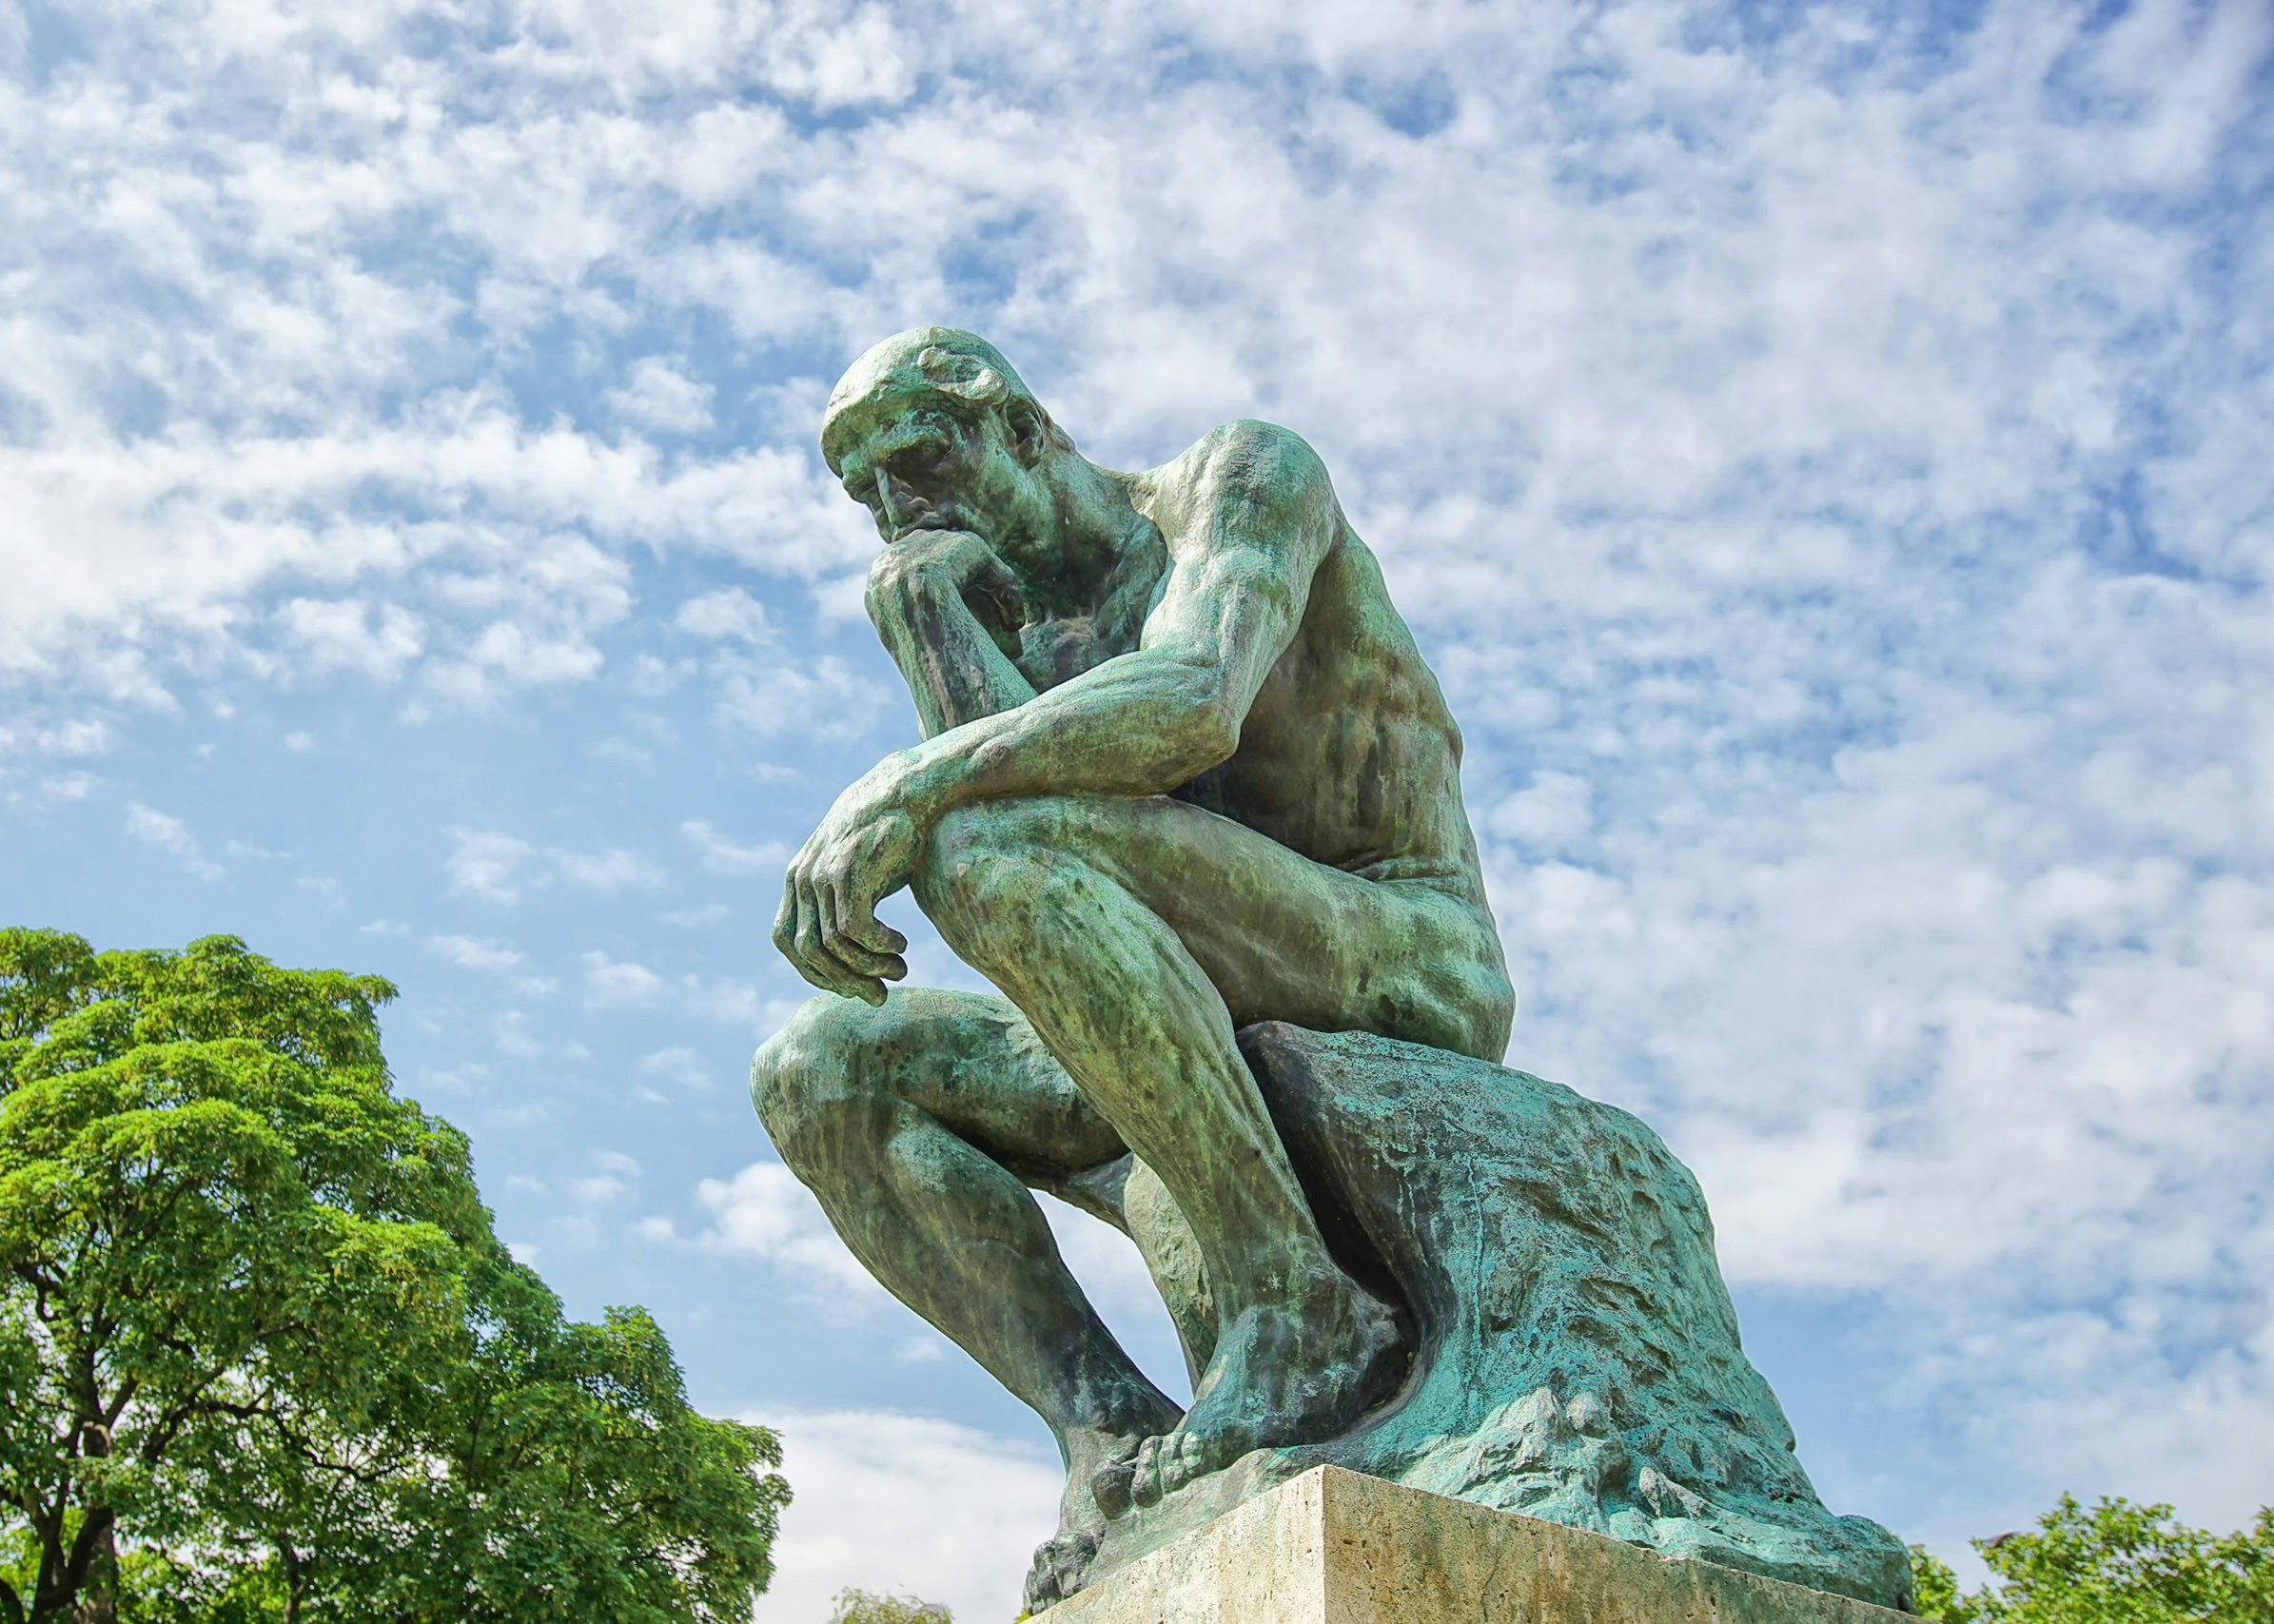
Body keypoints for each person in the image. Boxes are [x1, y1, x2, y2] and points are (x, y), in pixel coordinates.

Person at [751, 327, 1514, 1544]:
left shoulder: (1237, 481)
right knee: (817, 1068)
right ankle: (1104, 1430)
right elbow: (1011, 846)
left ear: (1021, 426)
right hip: (1184, 969)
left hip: (1387, 947)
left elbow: (1194, 701)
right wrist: (920, 617)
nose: (900, 507)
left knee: (975, 839)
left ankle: (1296, 1302)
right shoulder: (1005, 621)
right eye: (868, 495)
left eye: (922, 458)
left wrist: (899, 787)